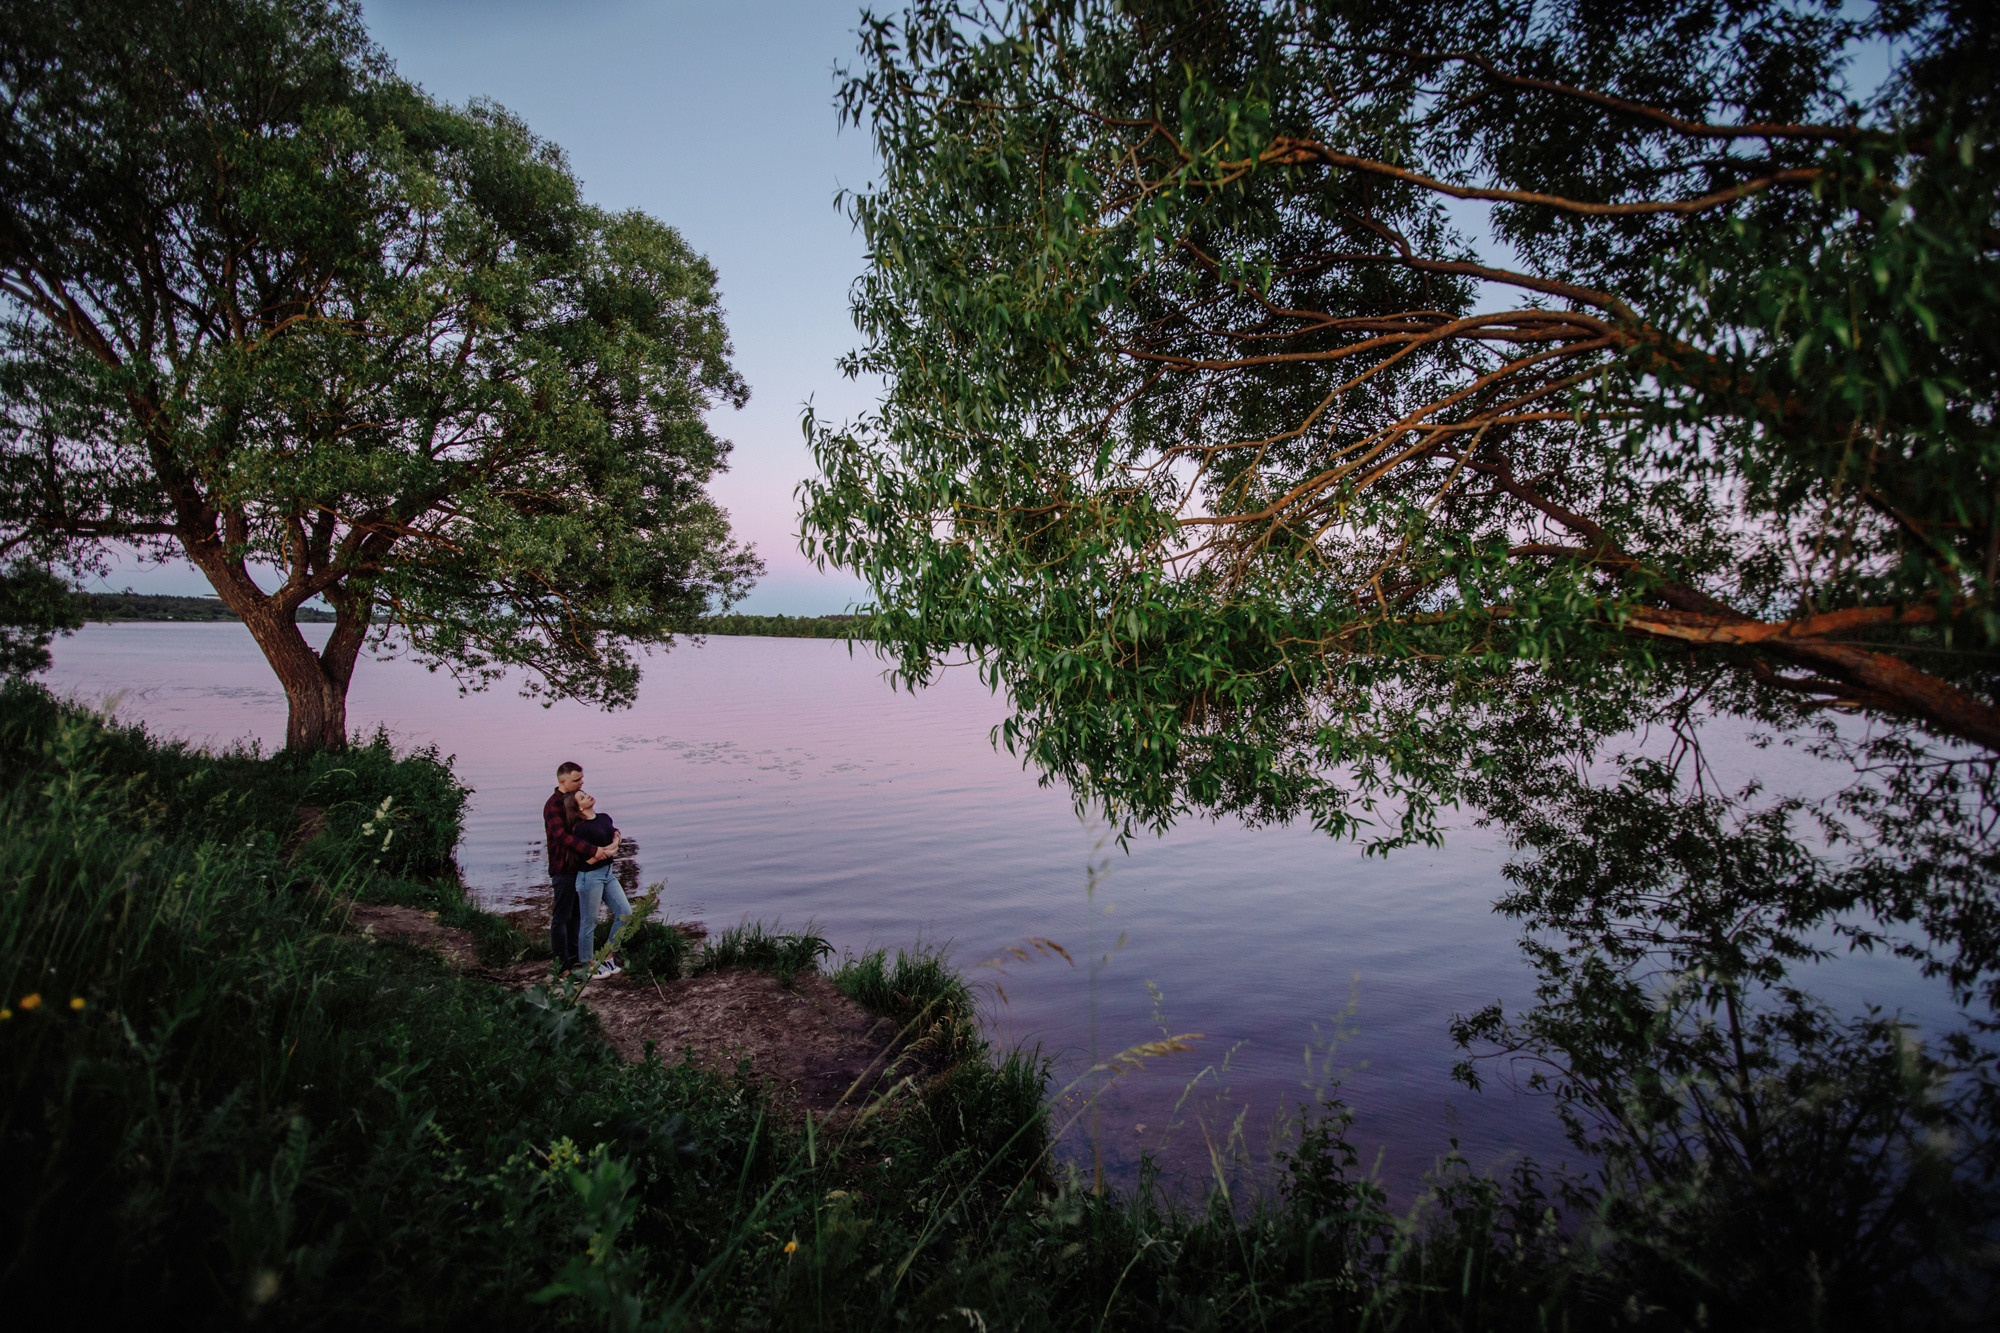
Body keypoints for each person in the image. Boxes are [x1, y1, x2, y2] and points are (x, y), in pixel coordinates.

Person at [543, 761, 611, 976]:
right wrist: (593, 851)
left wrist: (613, 834)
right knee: (561, 918)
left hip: (581, 868)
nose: (582, 782)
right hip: (563, 868)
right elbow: (562, 837)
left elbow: (591, 823)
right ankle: (561, 967)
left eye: (581, 778)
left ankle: (575, 958)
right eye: (577, 779)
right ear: (563, 780)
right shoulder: (553, 805)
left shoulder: (575, 800)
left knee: (577, 916)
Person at [563, 789, 631, 978]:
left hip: (608, 873)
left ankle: (607, 956)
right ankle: (588, 963)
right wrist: (614, 846)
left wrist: (614, 842)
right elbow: (598, 853)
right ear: (578, 808)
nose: (588, 796)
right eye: (582, 797)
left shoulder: (604, 818)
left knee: (625, 913)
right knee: (589, 921)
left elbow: (613, 838)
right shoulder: (580, 829)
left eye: (585, 794)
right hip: (590, 877)